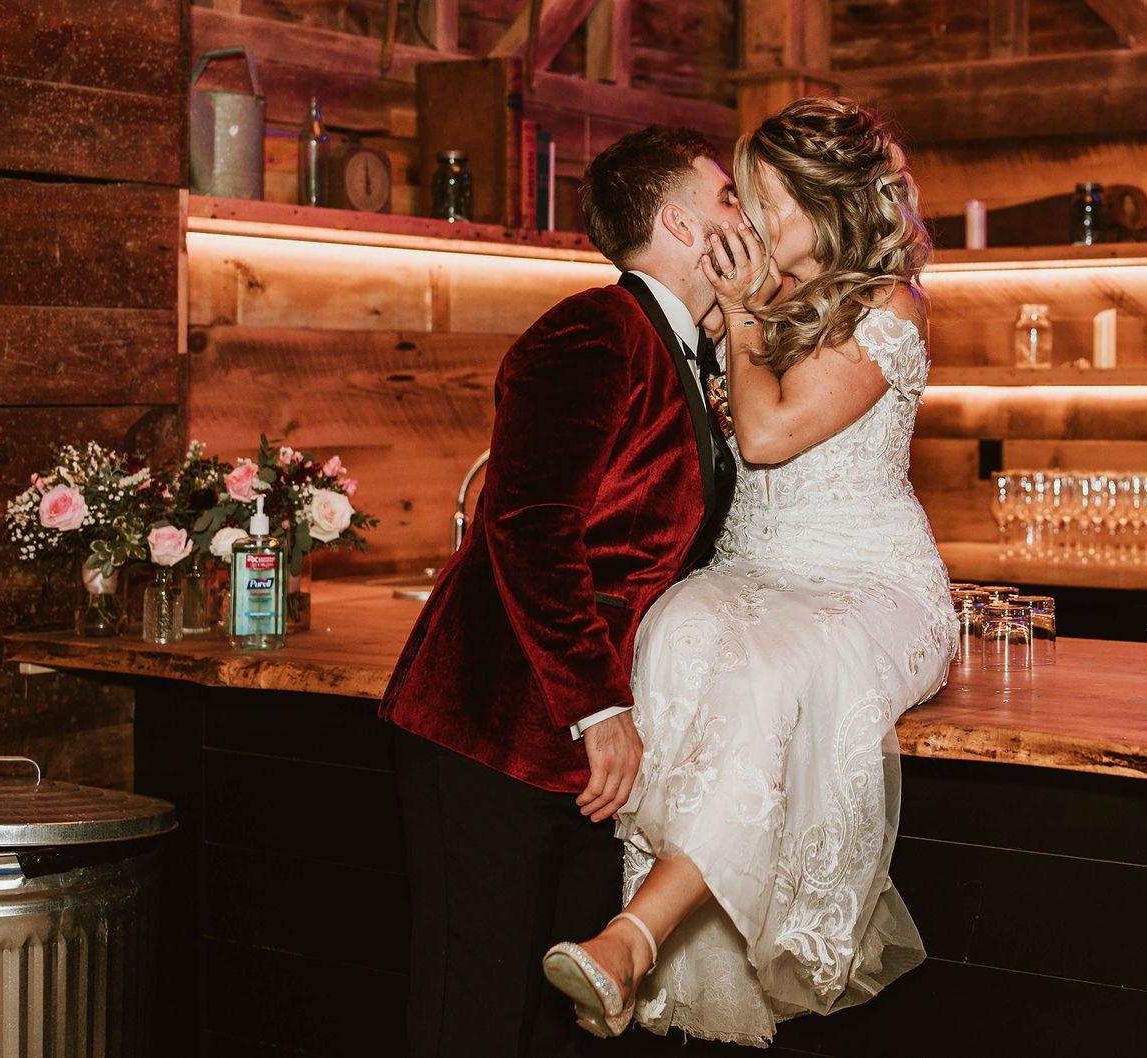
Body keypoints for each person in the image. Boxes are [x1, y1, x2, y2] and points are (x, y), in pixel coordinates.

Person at [540, 97, 956, 1046]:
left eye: (768, 203)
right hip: (754, 569)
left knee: (772, 673)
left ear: (827, 202)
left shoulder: (889, 307)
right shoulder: (760, 299)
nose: (752, 222)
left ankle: (632, 937)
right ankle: (651, 946)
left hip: (865, 581)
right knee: (675, 633)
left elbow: (765, 436)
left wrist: (737, 312)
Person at [379, 126, 742, 1058]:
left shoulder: (692, 349)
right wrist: (597, 707)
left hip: (590, 754)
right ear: (679, 224)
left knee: (563, 1023)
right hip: (495, 724)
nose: (743, 214)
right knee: (474, 1013)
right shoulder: (592, 331)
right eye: (727, 197)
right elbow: (530, 523)